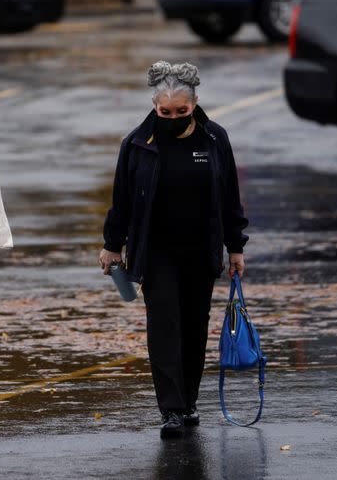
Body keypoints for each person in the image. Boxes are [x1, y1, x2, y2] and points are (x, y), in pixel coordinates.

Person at [99, 61, 249, 438]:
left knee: (194, 327)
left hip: (201, 249)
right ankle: (171, 409)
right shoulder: (137, 143)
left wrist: (236, 247)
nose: (172, 117)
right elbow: (122, 200)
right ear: (154, 106)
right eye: (164, 112)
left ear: (195, 104)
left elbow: (230, 196)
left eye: (180, 111)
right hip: (157, 251)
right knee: (164, 326)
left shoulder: (214, 139)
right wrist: (112, 245)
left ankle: (189, 400)